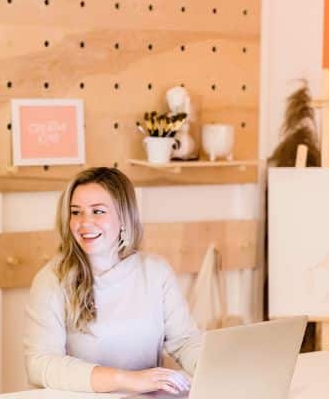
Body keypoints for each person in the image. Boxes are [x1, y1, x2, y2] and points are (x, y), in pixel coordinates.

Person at [23, 167, 201, 395]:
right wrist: (127, 379)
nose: (84, 222)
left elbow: (185, 341)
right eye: (76, 212)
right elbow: (40, 364)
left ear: (124, 218)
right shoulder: (52, 280)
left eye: (98, 211)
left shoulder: (156, 272)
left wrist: (215, 368)